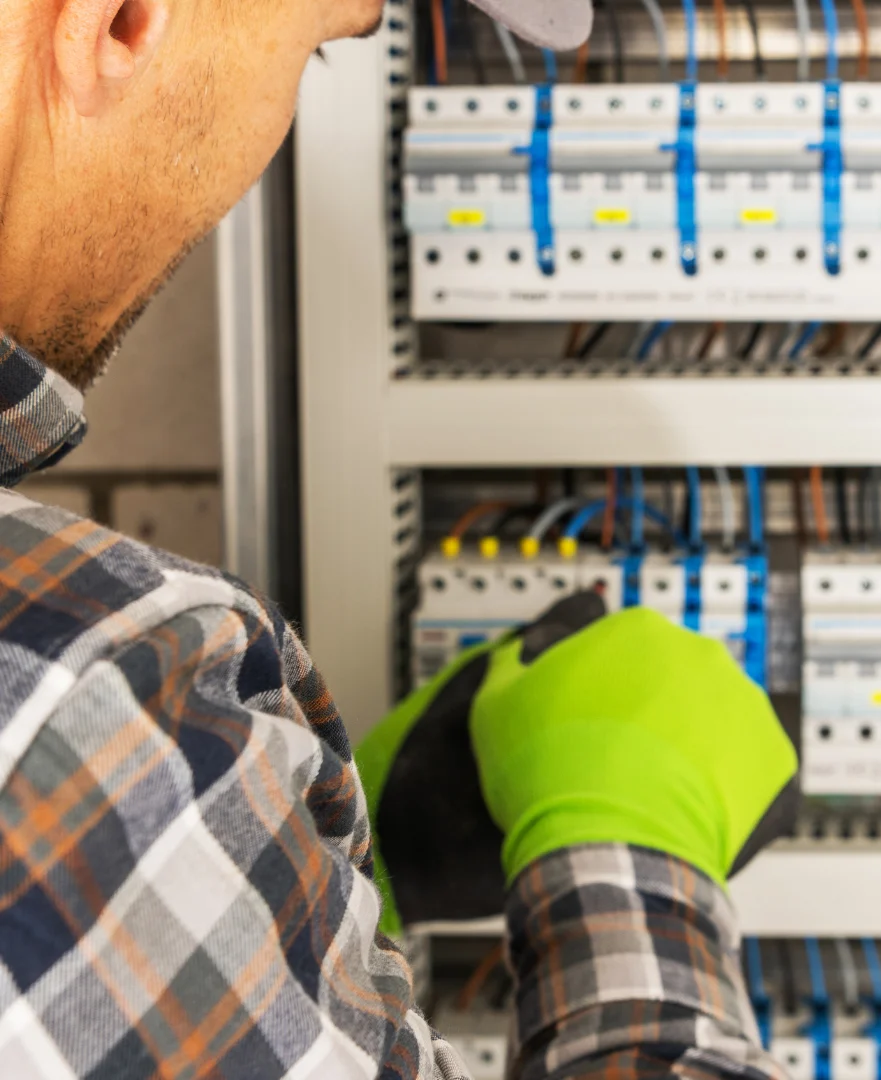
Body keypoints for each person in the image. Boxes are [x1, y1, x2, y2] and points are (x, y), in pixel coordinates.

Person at [0, 0, 795, 1075]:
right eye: (316, 49)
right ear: (123, 21)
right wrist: (622, 845)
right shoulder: (82, 697)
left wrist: (282, 862)